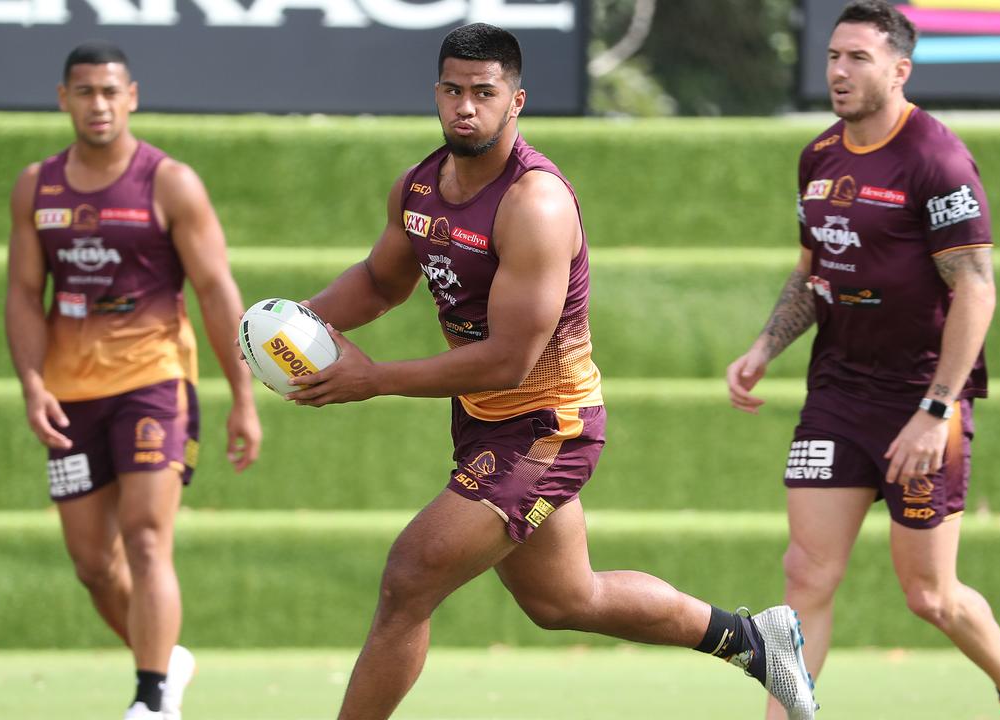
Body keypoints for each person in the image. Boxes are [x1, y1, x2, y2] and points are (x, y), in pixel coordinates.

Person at [286, 22, 818, 720]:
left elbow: (511, 359)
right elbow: (381, 284)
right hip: (485, 421)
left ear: (517, 101)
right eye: (452, 90)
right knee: (566, 599)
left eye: (484, 92)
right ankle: (753, 640)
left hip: (546, 428)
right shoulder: (420, 187)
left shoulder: (534, 204)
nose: (465, 107)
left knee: (408, 580)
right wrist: (295, 321)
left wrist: (373, 377)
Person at [725, 2, 1000, 719]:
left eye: (859, 59)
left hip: (920, 400)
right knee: (804, 575)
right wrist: (764, 347)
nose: (840, 72)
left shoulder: (936, 159)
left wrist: (937, 410)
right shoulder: (817, 156)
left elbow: (975, 288)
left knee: (929, 596)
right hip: (837, 396)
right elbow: (816, 271)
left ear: (900, 70)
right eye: (833, 57)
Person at [4, 41, 262, 720]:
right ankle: (167, 661)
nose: (99, 104)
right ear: (64, 99)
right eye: (85, 92)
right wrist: (32, 383)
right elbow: (24, 293)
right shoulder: (37, 186)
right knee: (93, 563)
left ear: (133, 97)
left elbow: (215, 291)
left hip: (154, 382)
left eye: (110, 92)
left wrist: (242, 397)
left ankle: (152, 700)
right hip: (69, 392)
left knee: (147, 538)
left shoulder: (170, 182)